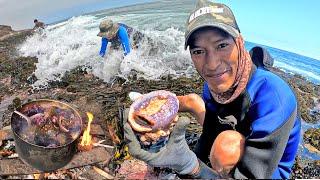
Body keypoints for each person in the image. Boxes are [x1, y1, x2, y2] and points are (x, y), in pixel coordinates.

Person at [124, 0, 301, 179]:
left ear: (240, 43)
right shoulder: (214, 88)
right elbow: (209, 134)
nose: (212, 64)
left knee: (227, 147)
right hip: (234, 133)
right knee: (215, 131)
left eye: (222, 45)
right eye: (199, 51)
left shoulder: (274, 97)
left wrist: (190, 165)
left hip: (267, 171)